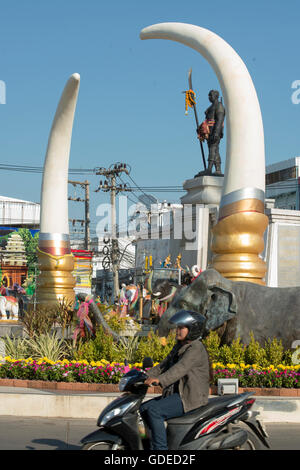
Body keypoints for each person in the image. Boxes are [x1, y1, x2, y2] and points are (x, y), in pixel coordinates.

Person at [139, 310, 212, 450]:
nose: (177, 330)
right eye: (178, 327)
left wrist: (159, 380)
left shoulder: (196, 348)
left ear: (192, 329)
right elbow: (164, 365)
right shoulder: (180, 345)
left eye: (181, 327)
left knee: (154, 411)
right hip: (178, 394)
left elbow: (179, 369)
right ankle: (150, 445)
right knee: (144, 408)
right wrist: (144, 374)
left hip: (190, 397)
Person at [196, 90, 225, 176]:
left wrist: (216, 132)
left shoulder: (219, 106)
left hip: (215, 131)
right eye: (208, 96)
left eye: (210, 95)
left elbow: (220, 120)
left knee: (212, 148)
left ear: (216, 96)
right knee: (215, 150)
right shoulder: (211, 107)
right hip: (209, 131)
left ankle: (209, 169)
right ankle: (218, 169)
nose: (209, 97)